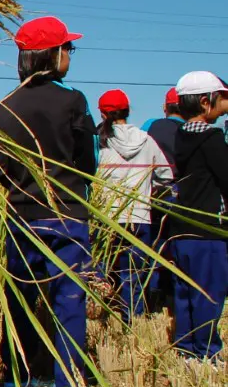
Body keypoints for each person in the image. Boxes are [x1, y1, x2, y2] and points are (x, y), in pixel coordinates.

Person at [0, 16, 97, 387]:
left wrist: (22, 189)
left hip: (21, 215)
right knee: (68, 298)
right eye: (67, 48)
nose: (70, 54)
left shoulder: (9, 104)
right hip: (66, 214)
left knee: (20, 297)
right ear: (52, 55)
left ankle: (15, 380)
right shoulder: (74, 100)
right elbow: (88, 159)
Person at [165, 71, 228, 362]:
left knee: (185, 291)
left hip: (181, 229)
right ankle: (206, 352)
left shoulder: (180, 136)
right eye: (223, 98)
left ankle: (185, 348)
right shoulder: (213, 140)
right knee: (209, 292)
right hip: (207, 229)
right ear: (206, 102)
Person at [95, 89, 173, 322]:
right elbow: (165, 174)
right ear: (128, 111)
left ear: (102, 113)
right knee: (135, 276)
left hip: (107, 218)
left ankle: (101, 318)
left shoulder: (100, 142)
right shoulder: (146, 140)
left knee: (102, 273)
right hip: (139, 217)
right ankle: (134, 321)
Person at [141, 88, 185, 308]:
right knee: (176, 248)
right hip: (181, 196)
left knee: (154, 246)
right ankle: (171, 296)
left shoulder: (153, 126)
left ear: (165, 108)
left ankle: (153, 296)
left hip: (154, 194)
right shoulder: (188, 130)